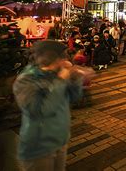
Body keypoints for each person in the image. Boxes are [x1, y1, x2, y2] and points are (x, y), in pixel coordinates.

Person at [13, 41, 84, 170]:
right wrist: (61, 81)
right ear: (54, 59)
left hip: (60, 141)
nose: (66, 60)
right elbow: (41, 111)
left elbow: (74, 97)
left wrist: (75, 78)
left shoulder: (58, 74)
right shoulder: (26, 80)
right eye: (63, 57)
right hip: (38, 148)